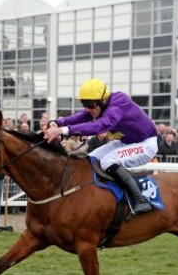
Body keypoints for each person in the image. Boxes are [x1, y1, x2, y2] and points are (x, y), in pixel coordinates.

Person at [44, 78, 157, 215]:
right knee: (91, 159)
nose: (87, 108)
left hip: (146, 144)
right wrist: (57, 122)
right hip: (126, 142)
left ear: (103, 100)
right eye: (84, 103)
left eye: (90, 104)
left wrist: (62, 130)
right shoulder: (98, 106)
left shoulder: (119, 102)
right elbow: (80, 116)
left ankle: (140, 200)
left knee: (107, 161)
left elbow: (100, 126)